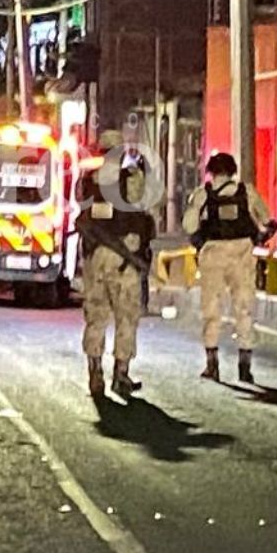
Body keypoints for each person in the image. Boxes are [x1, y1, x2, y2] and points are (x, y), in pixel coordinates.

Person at [182, 152, 274, 383]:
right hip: (242, 253)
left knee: (211, 310)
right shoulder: (247, 192)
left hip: (213, 254)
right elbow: (267, 219)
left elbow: (189, 225)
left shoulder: (203, 194)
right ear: (233, 171)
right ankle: (245, 366)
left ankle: (212, 364)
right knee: (244, 308)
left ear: (211, 171)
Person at [75, 140, 156, 398]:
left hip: (95, 256)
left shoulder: (88, 180)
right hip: (125, 256)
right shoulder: (132, 178)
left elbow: (83, 211)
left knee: (96, 316)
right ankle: (121, 373)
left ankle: (94, 371)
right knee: (126, 317)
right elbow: (147, 207)